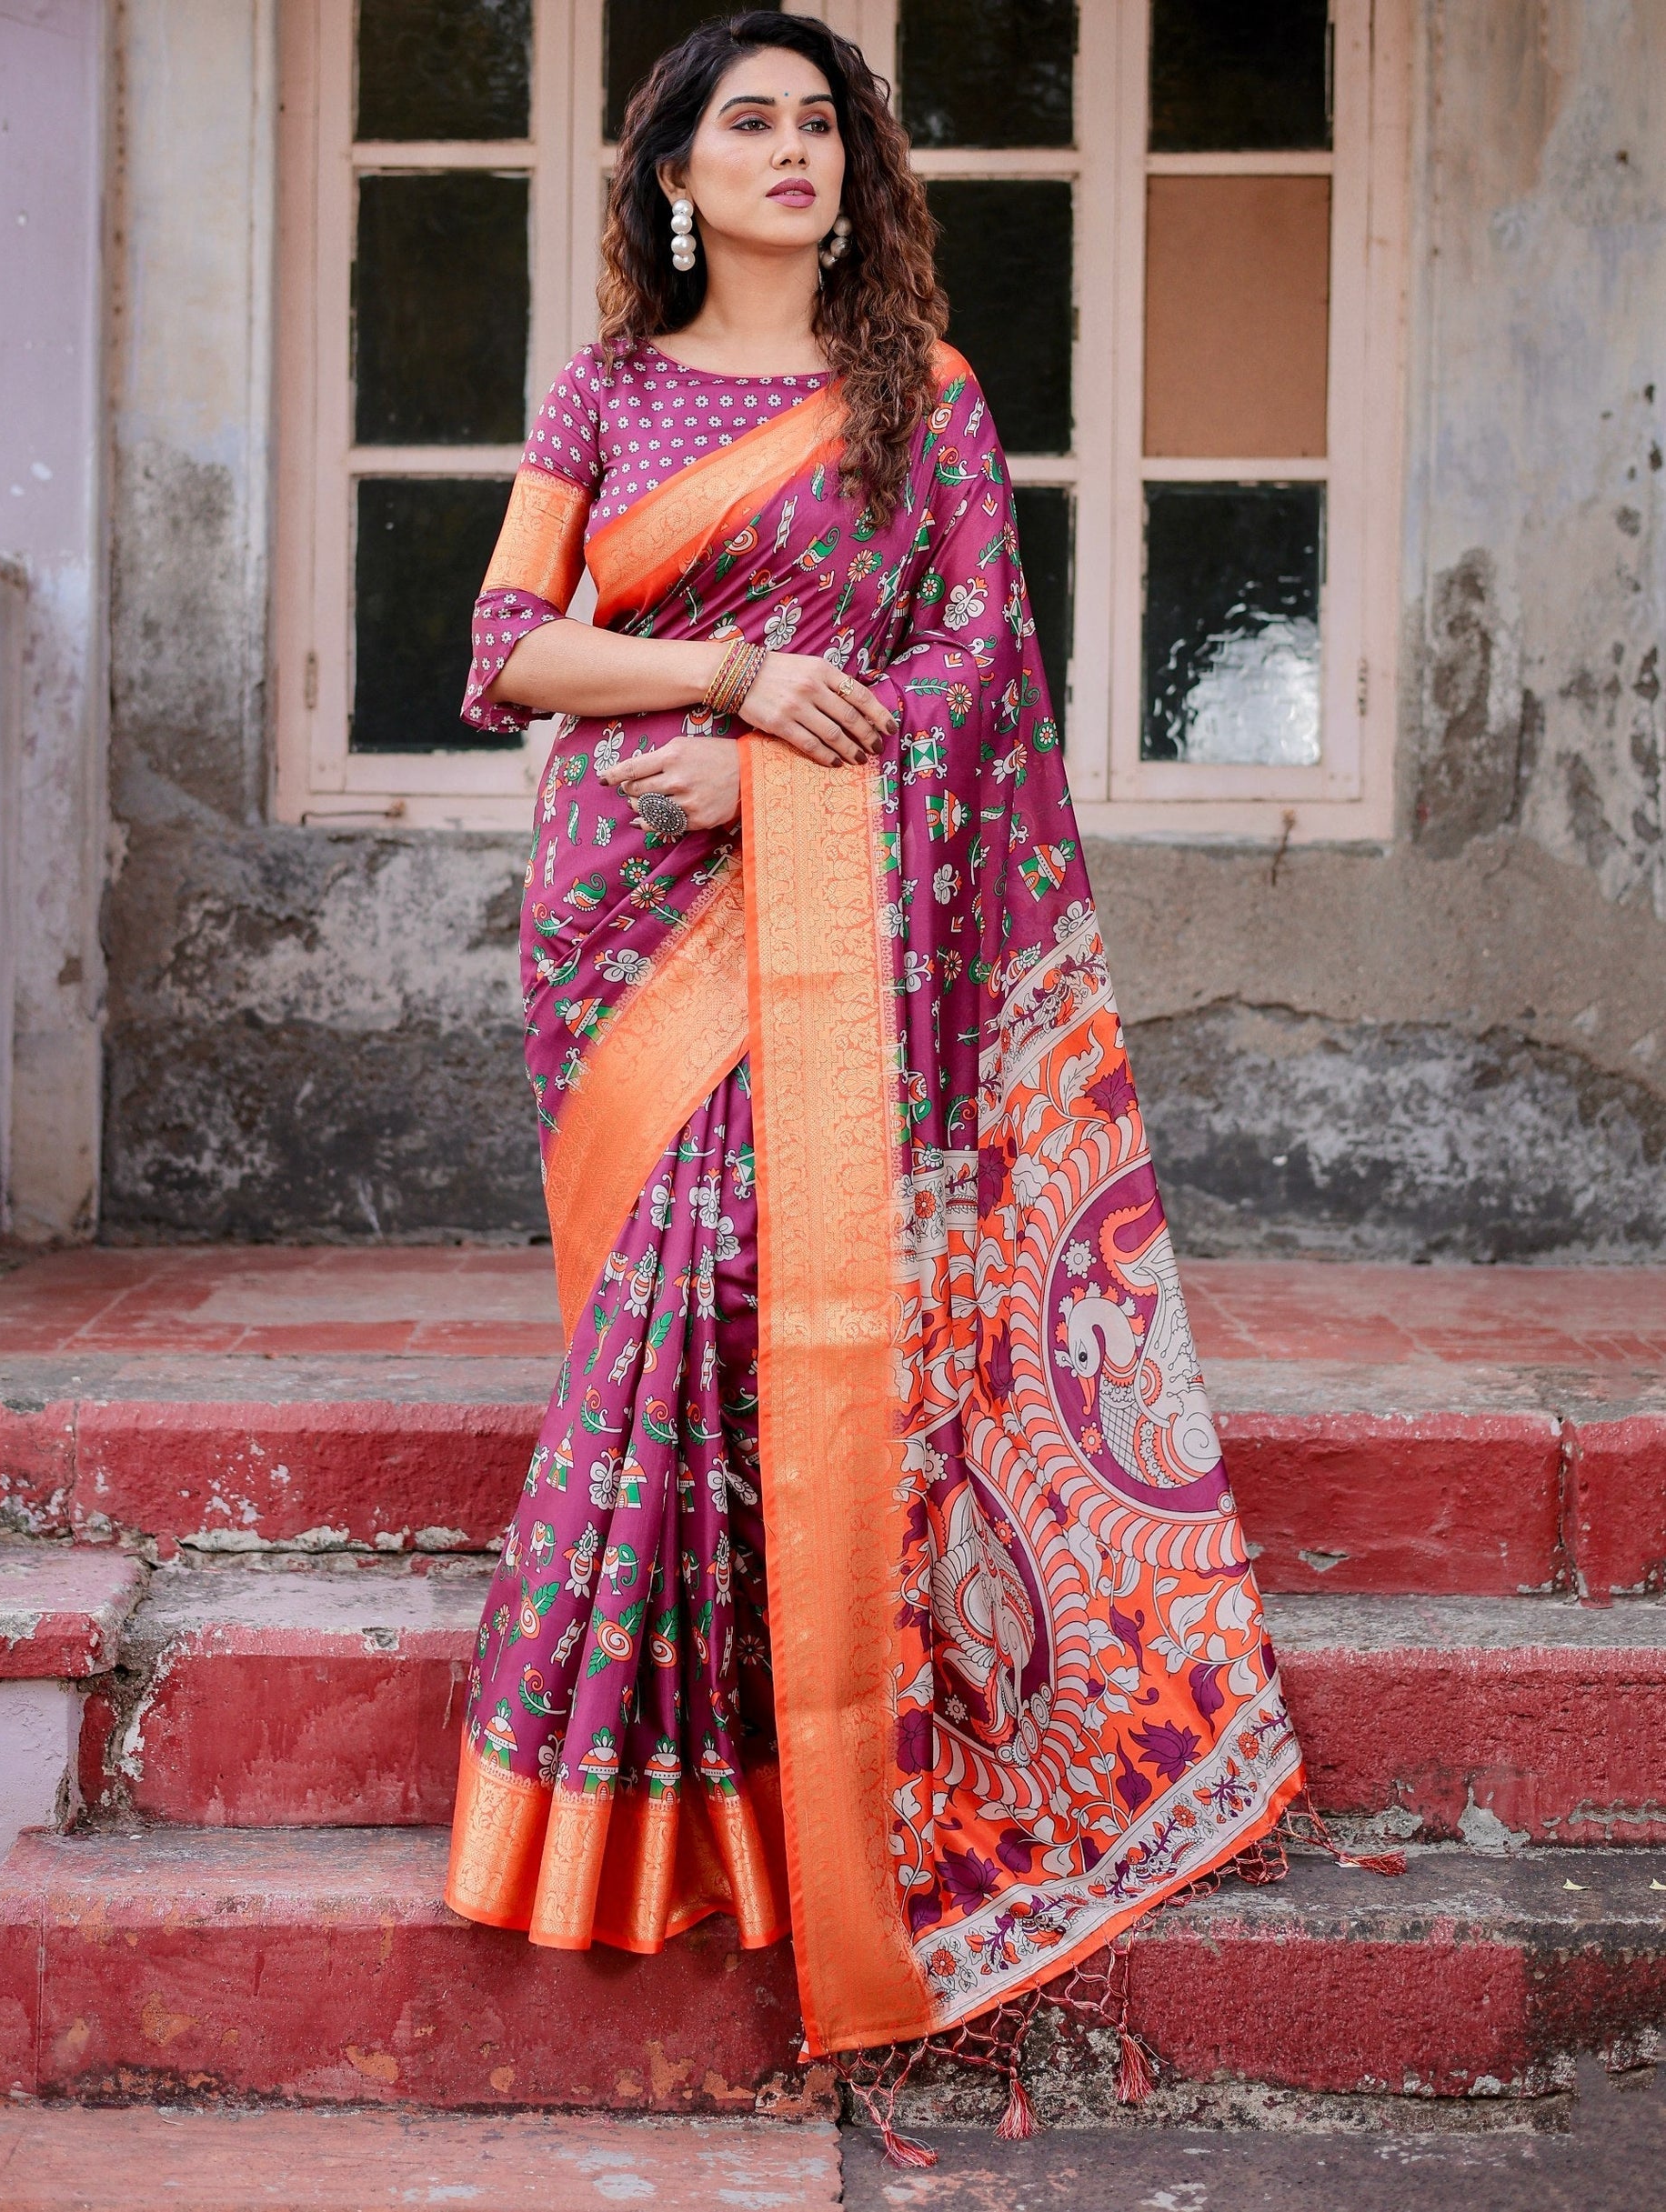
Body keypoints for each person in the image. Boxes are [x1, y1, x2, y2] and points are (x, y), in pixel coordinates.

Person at [444, 8, 1302, 2075]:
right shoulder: (607, 390)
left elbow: (972, 669)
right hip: (622, 922)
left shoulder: (919, 397)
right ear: (673, 171)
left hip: (810, 906)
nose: (791, 151)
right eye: (746, 122)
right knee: (677, 1302)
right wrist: (738, 672)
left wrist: (767, 773)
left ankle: (783, 1788)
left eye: (819, 124)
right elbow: (506, 650)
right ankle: (629, 1814)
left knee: (760, 1302)